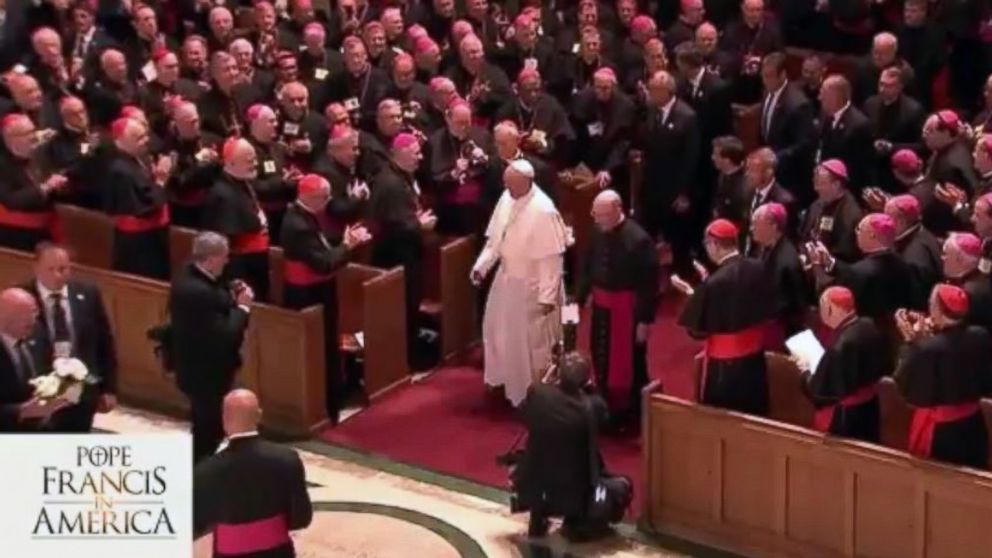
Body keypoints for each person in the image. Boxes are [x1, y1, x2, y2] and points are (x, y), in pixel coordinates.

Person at [471, 159, 569, 406]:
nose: (507, 189)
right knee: (498, 333)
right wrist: (482, 267)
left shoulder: (544, 210)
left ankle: (534, 391)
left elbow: (551, 259)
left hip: (532, 286)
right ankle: (505, 380)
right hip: (507, 281)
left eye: (511, 184)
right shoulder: (507, 198)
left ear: (526, 182)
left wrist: (547, 296)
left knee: (532, 343)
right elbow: (496, 240)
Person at [280, 174, 370, 421]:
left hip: (319, 292)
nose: (329, 201)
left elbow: (322, 247)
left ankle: (334, 401)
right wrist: (348, 246)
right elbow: (323, 263)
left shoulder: (305, 216)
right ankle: (326, 408)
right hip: (309, 296)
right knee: (320, 350)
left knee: (329, 345)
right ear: (310, 197)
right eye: (325, 197)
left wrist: (342, 242)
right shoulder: (298, 225)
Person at [674, 218, 776, 415]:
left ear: (714, 244)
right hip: (754, 360)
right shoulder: (758, 267)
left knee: (724, 422)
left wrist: (692, 295)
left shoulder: (714, 284)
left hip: (725, 368)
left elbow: (697, 331)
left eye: (707, 244)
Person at [194, 389, 313, 557]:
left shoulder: (205, 470)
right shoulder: (287, 459)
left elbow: (198, 524)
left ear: (224, 420)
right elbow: (302, 518)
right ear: (259, 416)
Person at [576, 190, 658, 427]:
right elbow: (587, 267)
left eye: (601, 214)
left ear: (617, 210)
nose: (596, 219)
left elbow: (648, 285)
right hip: (602, 307)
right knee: (599, 353)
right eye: (595, 214)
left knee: (631, 361)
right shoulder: (597, 231)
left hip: (627, 312)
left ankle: (629, 412)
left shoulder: (638, 239)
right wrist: (579, 299)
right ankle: (603, 403)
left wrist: (644, 320)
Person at [169, 232, 254, 462]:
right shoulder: (196, 292)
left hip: (201, 367)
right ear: (210, 259)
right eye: (224, 257)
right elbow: (225, 334)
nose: (227, 261)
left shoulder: (190, 272)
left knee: (209, 427)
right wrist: (243, 308)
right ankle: (199, 473)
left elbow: (216, 292)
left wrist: (230, 290)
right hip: (204, 373)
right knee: (208, 429)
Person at [894, 284, 992, 469]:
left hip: (942, 434)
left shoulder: (929, 349)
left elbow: (906, 387)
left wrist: (910, 343)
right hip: (973, 424)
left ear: (938, 311)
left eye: (931, 303)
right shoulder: (981, 336)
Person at [515, 352, 609, 540]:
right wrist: (591, 391)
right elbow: (605, 423)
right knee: (616, 488)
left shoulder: (538, 393)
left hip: (532, 487)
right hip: (573, 493)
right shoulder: (593, 406)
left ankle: (539, 516)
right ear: (586, 380)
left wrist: (548, 381)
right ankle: (576, 523)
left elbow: (523, 414)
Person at [24, 243, 117, 432]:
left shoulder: (88, 293)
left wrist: (109, 388)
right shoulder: (21, 297)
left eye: (63, 269)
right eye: (51, 269)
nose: (58, 275)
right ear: (36, 268)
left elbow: (104, 342)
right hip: (38, 395)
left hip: (81, 395)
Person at [802, 286, 890, 442]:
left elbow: (819, 392)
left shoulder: (840, 346)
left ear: (829, 309)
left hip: (845, 417)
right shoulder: (869, 326)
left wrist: (806, 371)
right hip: (869, 408)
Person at [0, 288, 70, 432]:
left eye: (34, 312)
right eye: (22, 316)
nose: (32, 321)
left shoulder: (35, 331)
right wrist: (21, 411)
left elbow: (46, 368)